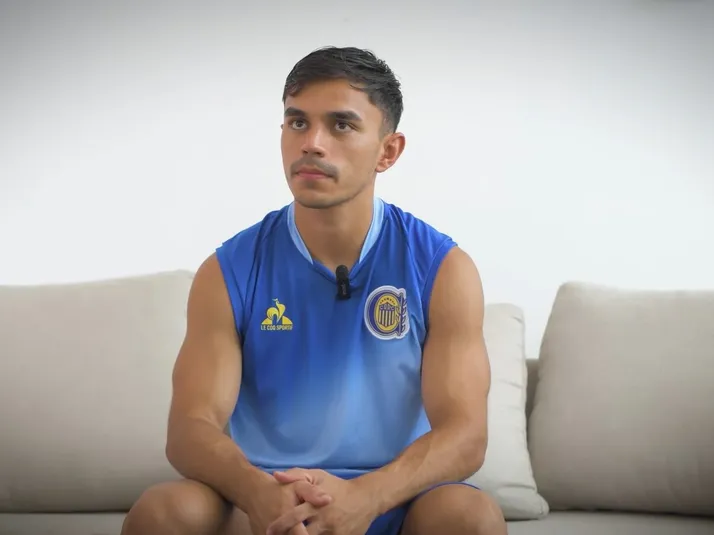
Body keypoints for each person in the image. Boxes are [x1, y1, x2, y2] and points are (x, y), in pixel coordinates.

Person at [121, 46, 506, 535]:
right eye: (297, 122)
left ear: (388, 151)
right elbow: (189, 429)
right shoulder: (228, 269)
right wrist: (259, 493)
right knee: (162, 512)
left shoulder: (443, 268)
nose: (312, 144)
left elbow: (465, 435)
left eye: (341, 125)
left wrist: (365, 498)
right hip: (266, 498)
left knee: (471, 517)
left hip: (392, 498)